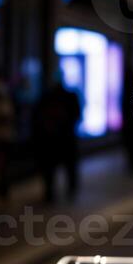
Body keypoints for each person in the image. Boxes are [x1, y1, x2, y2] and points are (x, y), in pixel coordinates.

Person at [33, 72, 81, 203]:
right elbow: (77, 115)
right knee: (68, 166)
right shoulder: (69, 96)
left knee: (50, 168)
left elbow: (37, 116)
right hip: (65, 138)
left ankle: (50, 193)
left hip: (51, 139)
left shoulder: (47, 97)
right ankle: (69, 191)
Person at [0, 76, 15, 198]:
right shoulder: (5, 99)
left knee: (2, 165)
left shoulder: (3, 103)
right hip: (3, 136)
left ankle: (2, 188)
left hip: (1, 137)